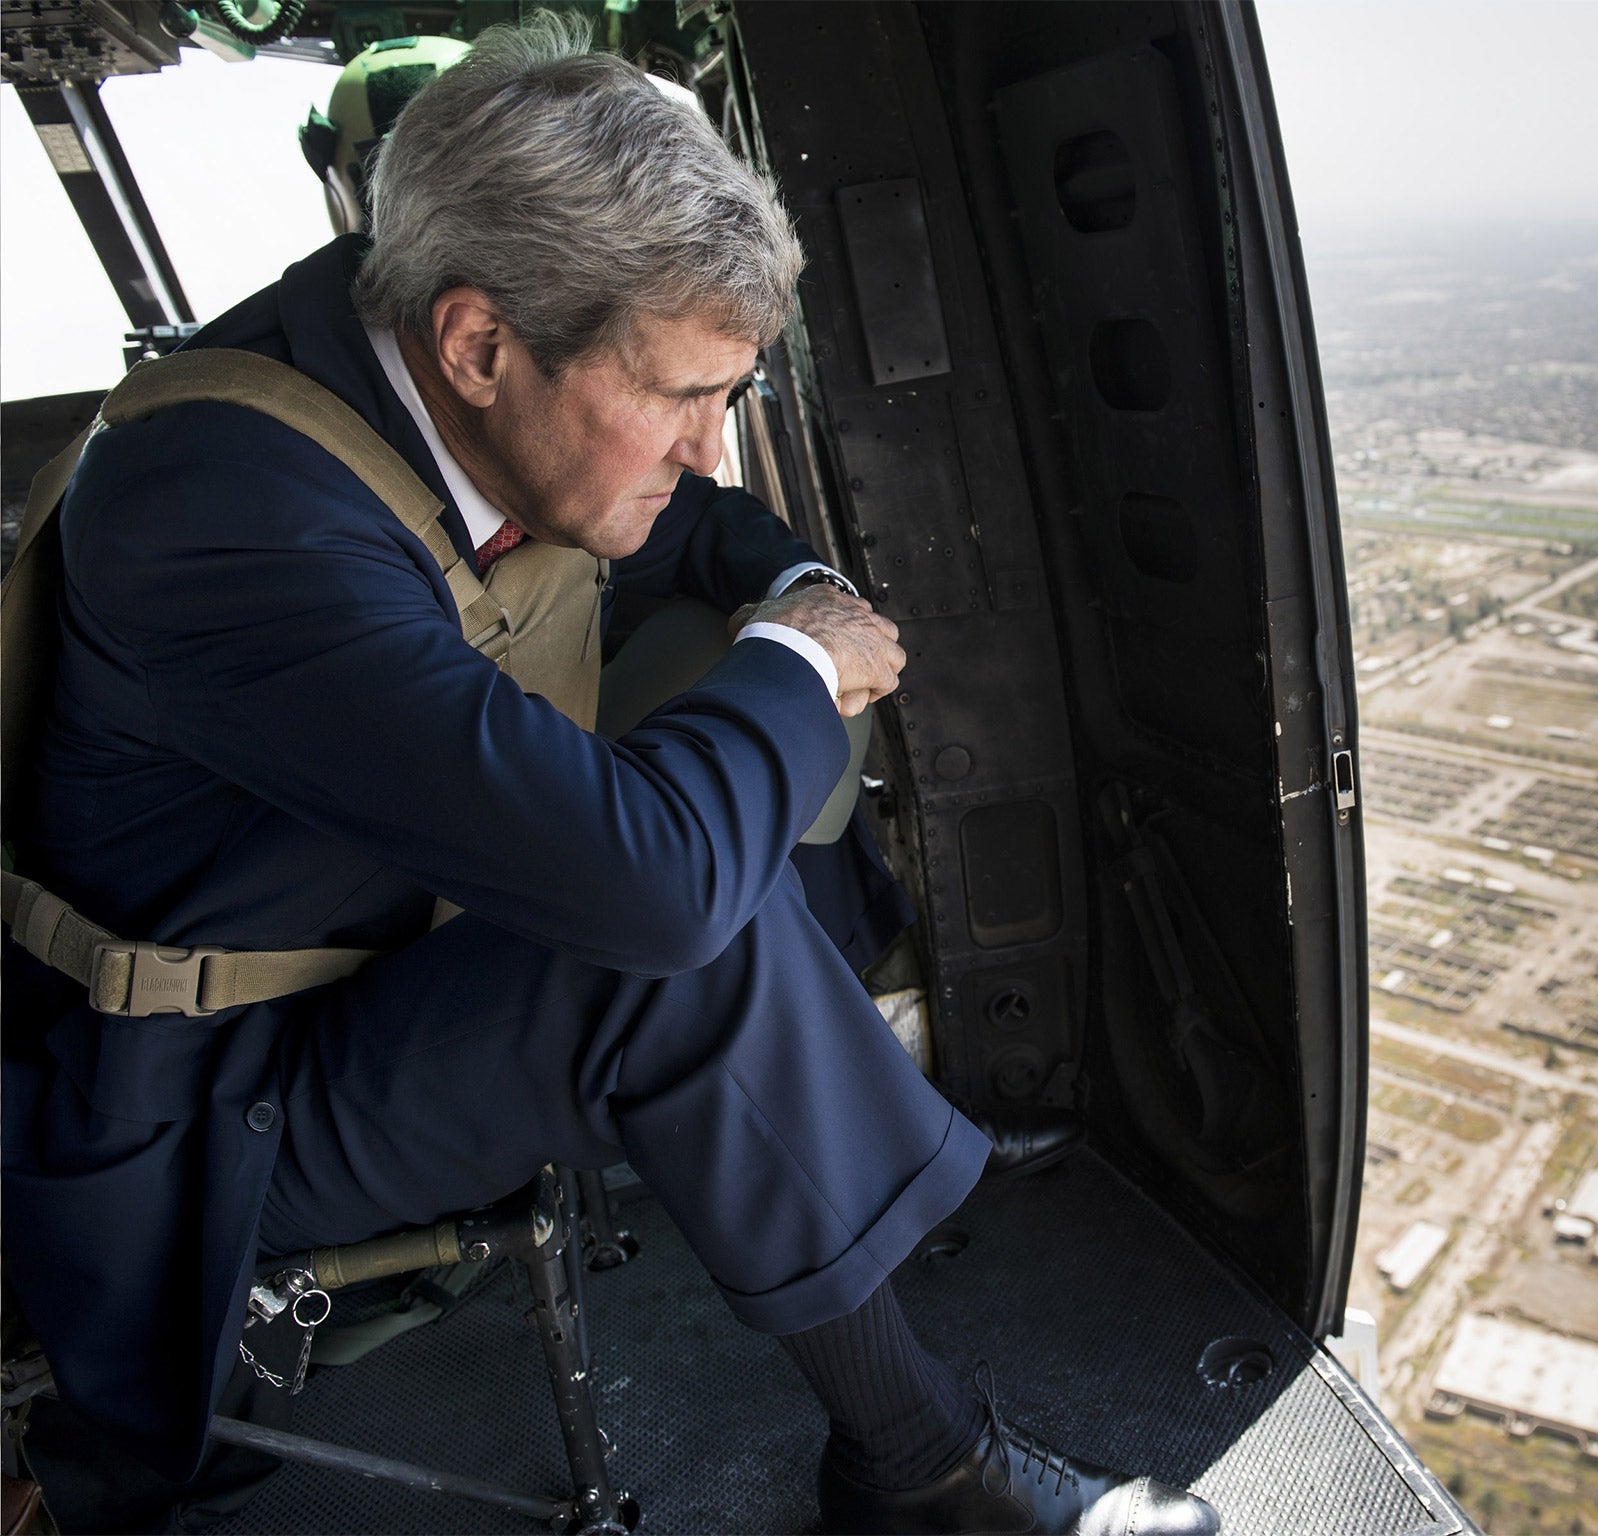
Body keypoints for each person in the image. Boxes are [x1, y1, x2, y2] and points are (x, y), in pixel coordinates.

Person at [0, 13, 1215, 1536]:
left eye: (734, 396)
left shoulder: (411, 365)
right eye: (680, 398)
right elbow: (648, 887)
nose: (713, 451)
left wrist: (798, 596)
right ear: (479, 343)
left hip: (365, 972)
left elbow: (700, 534)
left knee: (740, 835)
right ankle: (920, 1466)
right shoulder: (229, 510)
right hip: (190, 1103)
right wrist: (804, 664)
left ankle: (848, 1253)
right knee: (679, 927)